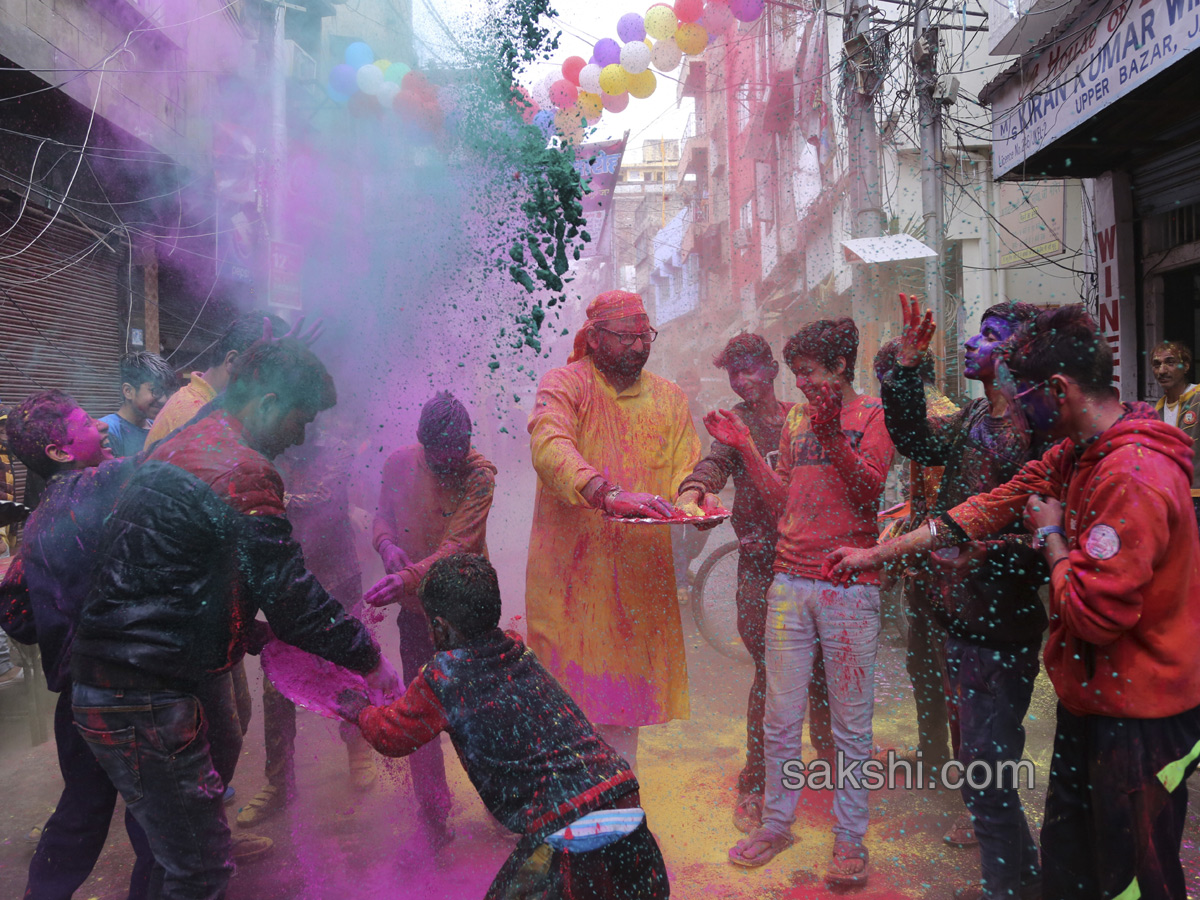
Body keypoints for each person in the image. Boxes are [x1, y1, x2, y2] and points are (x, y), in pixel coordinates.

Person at [828, 305, 1200, 900]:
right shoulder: (1077, 450)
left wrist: (1049, 537)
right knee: (1073, 859)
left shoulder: (1131, 475)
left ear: (1056, 390)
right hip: (1097, 698)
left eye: (1024, 392)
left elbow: (1092, 614)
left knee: (1136, 874)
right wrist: (882, 554)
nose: (1022, 408)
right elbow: (997, 501)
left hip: (1143, 714)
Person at [69, 339, 394, 900]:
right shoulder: (242, 470)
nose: (303, 435)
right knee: (199, 871)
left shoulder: (185, 440)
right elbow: (294, 599)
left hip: (111, 679)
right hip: (145, 691)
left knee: (170, 859)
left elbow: (175, 570)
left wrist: (246, 630)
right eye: (302, 418)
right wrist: (372, 662)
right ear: (269, 402)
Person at [341, 553, 669, 900]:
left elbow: (390, 736)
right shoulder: (516, 649)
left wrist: (359, 710)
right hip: (620, 793)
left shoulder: (443, 678)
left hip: (568, 823)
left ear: (439, 626)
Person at [711, 318, 893, 886]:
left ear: (841, 369)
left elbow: (868, 490)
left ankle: (849, 840)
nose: (803, 383)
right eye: (797, 374)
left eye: (810, 373)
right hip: (788, 583)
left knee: (848, 726)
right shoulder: (793, 419)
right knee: (781, 715)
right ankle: (776, 822)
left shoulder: (871, 417)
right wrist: (743, 447)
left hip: (848, 587)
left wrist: (832, 435)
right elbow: (780, 500)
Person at [878, 297, 1047, 900]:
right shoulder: (973, 416)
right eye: (976, 334)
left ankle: (1013, 884)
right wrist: (904, 370)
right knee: (983, 764)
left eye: (990, 336)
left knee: (988, 765)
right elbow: (914, 441)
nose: (974, 345)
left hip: (1004, 618)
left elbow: (1053, 531)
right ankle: (1018, 878)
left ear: (1019, 354)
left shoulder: (1041, 426)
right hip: (958, 609)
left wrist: (993, 552)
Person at [525, 290, 702, 773]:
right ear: (595, 338)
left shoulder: (669, 398)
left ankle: (618, 813)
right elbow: (548, 444)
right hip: (569, 586)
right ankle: (562, 812)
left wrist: (694, 503)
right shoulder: (565, 386)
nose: (639, 347)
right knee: (564, 709)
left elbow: (687, 471)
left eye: (645, 336)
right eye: (625, 337)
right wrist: (604, 492)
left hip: (637, 585)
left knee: (623, 716)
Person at [0, 391, 158, 899]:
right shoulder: (102, 484)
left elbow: (18, 620)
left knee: (82, 814)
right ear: (60, 452)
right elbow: (175, 452)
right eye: (89, 422)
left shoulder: (40, 518)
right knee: (157, 822)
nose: (105, 428)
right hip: (125, 691)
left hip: (76, 699)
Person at [674, 333, 833, 834]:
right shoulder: (733, 427)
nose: (743, 382)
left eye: (750, 370)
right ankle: (755, 784)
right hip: (761, 570)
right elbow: (713, 464)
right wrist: (693, 492)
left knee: (825, 672)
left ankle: (830, 763)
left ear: (771, 369)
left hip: (811, 564)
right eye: (734, 374)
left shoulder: (802, 417)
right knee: (769, 677)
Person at [360, 390, 497, 847]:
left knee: (478, 717)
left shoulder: (480, 476)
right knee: (421, 713)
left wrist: (406, 578)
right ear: (422, 446)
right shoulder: (400, 463)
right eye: (439, 459)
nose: (449, 466)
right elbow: (381, 515)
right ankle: (434, 818)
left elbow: (457, 546)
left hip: (467, 614)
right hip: (417, 614)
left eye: (456, 455)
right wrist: (386, 547)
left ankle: (503, 806)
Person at [234, 420, 380, 829]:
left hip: (335, 578)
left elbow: (324, 501)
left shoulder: (336, 447)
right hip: (284, 583)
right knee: (276, 683)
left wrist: (261, 500)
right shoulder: (268, 455)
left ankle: (358, 750)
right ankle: (279, 783)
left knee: (347, 670)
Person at [871, 338, 958, 780]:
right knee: (923, 662)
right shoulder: (930, 413)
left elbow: (941, 508)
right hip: (930, 560)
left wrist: (908, 556)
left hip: (946, 564)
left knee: (944, 669)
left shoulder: (937, 419)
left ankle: (962, 772)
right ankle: (934, 754)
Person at [145, 312, 288, 447]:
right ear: (232, 362)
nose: (269, 391)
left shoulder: (209, 406)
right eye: (265, 377)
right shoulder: (193, 415)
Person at [1151, 340, 1200, 526]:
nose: (1162, 370)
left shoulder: (1198, 397)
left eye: (1170, 363)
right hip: (1172, 499)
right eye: (1157, 364)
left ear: (1186, 366)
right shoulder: (1157, 410)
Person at [99, 351, 176, 456]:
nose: (163, 400)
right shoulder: (107, 431)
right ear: (128, 391)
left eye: (166, 392)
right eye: (156, 391)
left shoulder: (158, 427)